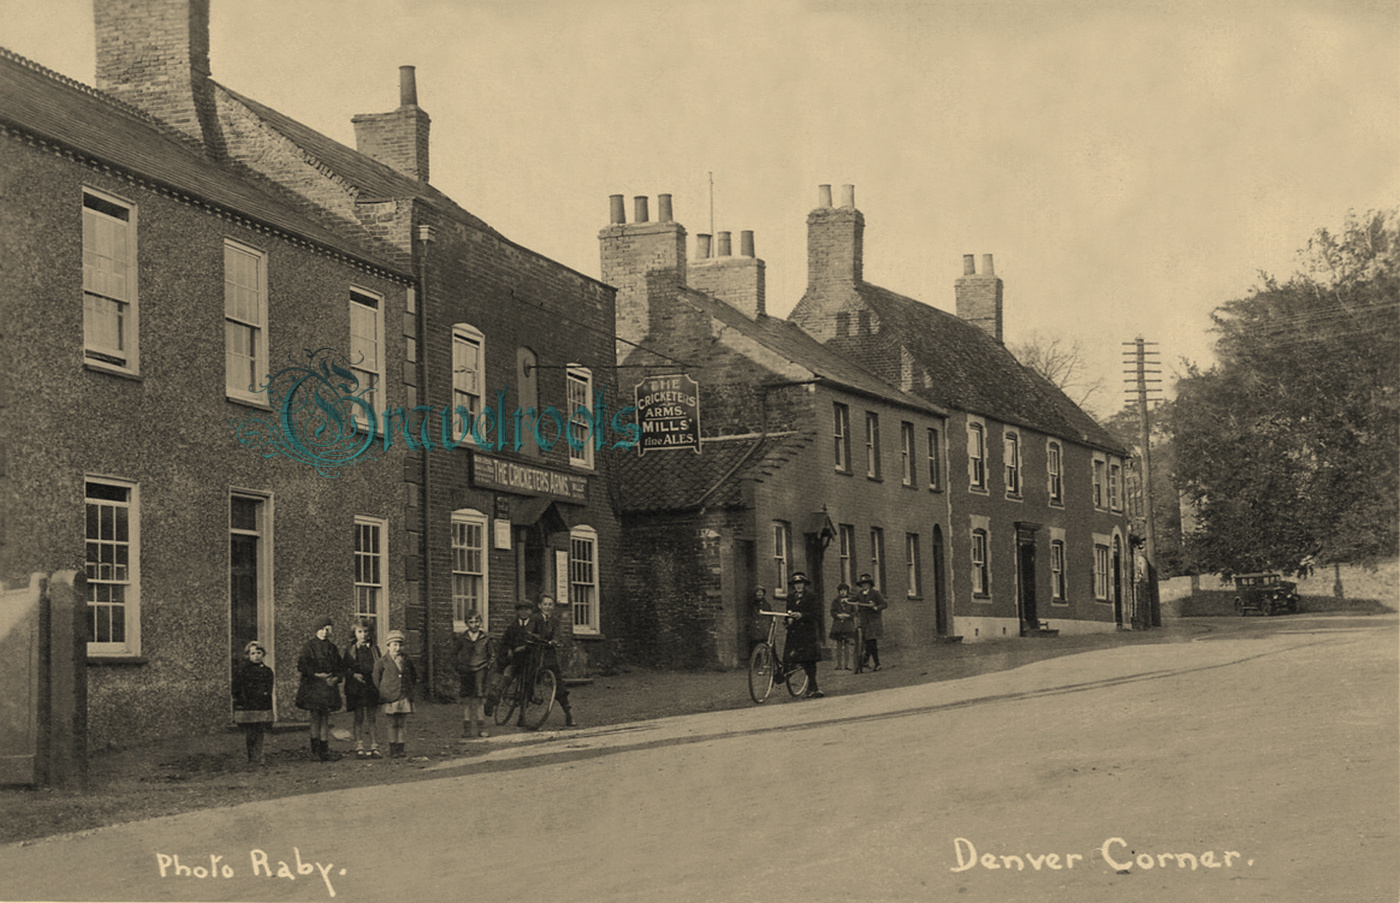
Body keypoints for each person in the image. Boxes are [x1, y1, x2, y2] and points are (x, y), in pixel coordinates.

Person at [294, 616, 342, 761]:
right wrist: (316, 674)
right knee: (315, 718)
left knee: (325, 719)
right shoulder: (309, 646)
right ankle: (314, 751)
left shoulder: (332, 648)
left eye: (327, 629)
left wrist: (336, 679)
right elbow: (302, 665)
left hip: (328, 687)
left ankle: (324, 751)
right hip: (313, 687)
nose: (324, 632)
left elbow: (340, 667)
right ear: (316, 630)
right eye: (321, 629)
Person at [342, 618, 382, 759]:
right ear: (355, 633)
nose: (363, 634)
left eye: (366, 631)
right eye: (360, 631)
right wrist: (353, 674)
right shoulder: (351, 650)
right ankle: (359, 746)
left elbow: (379, 666)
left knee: (372, 718)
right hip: (357, 687)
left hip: (371, 686)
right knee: (358, 717)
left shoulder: (374, 649)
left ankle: (374, 746)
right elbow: (344, 668)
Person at [373, 629, 417, 758]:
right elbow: (376, 678)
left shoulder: (407, 661)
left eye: (400, 645)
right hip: (390, 696)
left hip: (403, 696)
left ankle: (401, 748)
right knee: (392, 723)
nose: (397, 648)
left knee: (402, 723)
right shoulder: (382, 662)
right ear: (388, 646)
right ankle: (393, 748)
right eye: (394, 645)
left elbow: (413, 676)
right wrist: (383, 691)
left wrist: (409, 690)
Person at [782, 571, 825, 698]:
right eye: (796, 584)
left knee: (809, 660)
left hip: (807, 632)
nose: (798, 586)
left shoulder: (811, 596)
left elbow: (816, 613)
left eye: (800, 583)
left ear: (804, 584)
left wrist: (802, 615)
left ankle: (813, 687)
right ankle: (808, 685)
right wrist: (787, 619)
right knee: (790, 657)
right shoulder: (790, 597)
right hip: (794, 632)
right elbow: (788, 611)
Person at [232, 640, 274, 766]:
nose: (256, 656)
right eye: (253, 653)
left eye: (258, 653)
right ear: (248, 656)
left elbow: (269, 688)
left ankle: (259, 755)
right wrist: (240, 701)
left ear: (263, 654)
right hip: (248, 704)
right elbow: (236, 688)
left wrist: (266, 700)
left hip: (261, 704)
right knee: (250, 733)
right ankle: (252, 757)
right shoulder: (243, 671)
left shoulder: (267, 671)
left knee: (260, 731)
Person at [536, 595, 576, 728]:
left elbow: (557, 634)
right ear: (539, 606)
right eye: (545, 604)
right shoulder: (535, 619)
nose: (547, 607)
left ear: (553, 607)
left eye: (550, 605)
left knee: (558, 682)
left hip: (549, 654)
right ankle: (523, 715)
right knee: (529, 678)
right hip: (535, 653)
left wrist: (554, 641)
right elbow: (530, 632)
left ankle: (568, 712)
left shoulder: (554, 620)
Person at [453, 610, 493, 738]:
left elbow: (492, 655)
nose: (474, 624)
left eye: (476, 622)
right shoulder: (462, 639)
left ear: (480, 622)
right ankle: (467, 729)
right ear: (466, 623)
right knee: (466, 699)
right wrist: (458, 666)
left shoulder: (485, 638)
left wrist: (488, 666)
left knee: (479, 699)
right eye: (471, 622)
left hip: (480, 670)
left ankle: (482, 728)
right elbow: (453, 654)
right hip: (465, 670)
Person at [853, 573, 888, 673]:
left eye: (866, 583)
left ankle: (877, 663)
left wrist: (876, 607)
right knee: (865, 641)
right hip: (863, 621)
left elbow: (884, 604)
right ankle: (865, 660)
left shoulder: (875, 593)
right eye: (862, 584)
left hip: (873, 621)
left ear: (869, 584)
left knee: (871, 642)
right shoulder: (860, 594)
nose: (864, 585)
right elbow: (853, 599)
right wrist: (846, 600)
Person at [828, 582, 857, 671]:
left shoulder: (851, 601)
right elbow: (832, 612)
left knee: (847, 645)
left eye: (844, 590)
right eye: (841, 591)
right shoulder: (835, 601)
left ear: (847, 591)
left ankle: (847, 664)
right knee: (839, 646)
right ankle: (839, 664)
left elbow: (854, 612)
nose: (842, 592)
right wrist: (838, 615)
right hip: (838, 625)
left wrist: (849, 616)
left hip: (848, 625)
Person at [748, 587, 772, 657]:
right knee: (755, 645)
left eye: (761, 592)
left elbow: (769, 615)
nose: (760, 594)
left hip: (764, 629)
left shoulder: (766, 604)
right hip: (755, 629)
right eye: (758, 592)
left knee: (766, 644)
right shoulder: (752, 604)